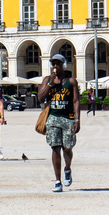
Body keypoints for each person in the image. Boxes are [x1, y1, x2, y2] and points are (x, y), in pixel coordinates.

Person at [37, 54, 80, 192]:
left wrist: (77, 120)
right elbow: (40, 97)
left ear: (64, 65)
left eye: (58, 64)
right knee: (55, 148)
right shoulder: (47, 80)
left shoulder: (71, 81)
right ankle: (57, 180)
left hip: (68, 118)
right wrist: (50, 83)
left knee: (67, 148)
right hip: (53, 117)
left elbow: (76, 101)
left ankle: (67, 168)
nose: (55, 66)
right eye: (53, 64)